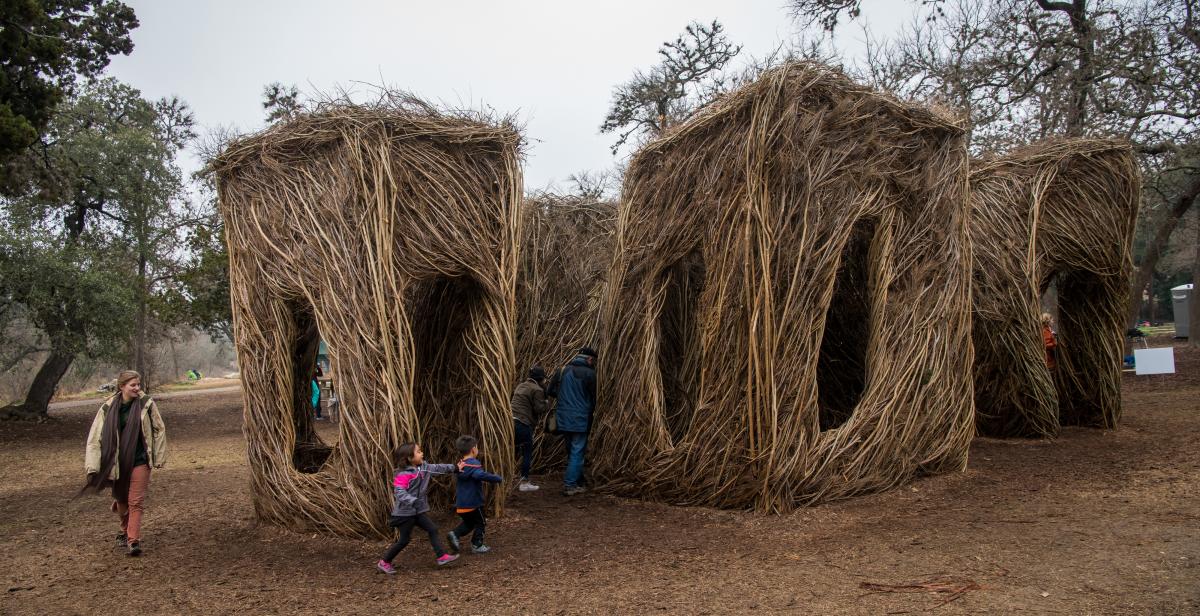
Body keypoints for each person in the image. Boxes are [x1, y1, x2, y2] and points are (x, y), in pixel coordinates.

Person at [81, 370, 167, 557]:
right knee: (122, 500)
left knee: (135, 502)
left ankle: (133, 540)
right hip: (116, 462)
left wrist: (158, 457)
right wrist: (93, 466)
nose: (137, 388)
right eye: (133, 385)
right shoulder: (108, 407)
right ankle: (123, 526)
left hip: (141, 459)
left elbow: (159, 429)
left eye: (138, 384)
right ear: (122, 387)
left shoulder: (146, 404)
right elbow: (94, 438)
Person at [376, 443, 462, 573]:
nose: (422, 453)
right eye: (419, 451)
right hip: (404, 513)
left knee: (432, 529)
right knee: (404, 540)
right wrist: (413, 501)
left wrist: (455, 468)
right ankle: (384, 562)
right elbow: (399, 492)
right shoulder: (403, 474)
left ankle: (442, 557)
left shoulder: (424, 467)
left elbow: (438, 468)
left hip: (417, 511)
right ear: (409, 458)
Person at [546, 346, 597, 496]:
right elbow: (594, 399)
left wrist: (564, 398)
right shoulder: (590, 373)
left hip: (563, 418)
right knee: (577, 451)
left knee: (572, 450)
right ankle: (570, 485)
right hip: (580, 419)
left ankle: (579, 481)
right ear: (589, 359)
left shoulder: (562, 370)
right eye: (593, 360)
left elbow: (550, 391)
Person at [447, 435, 503, 554]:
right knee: (481, 522)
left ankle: (455, 534)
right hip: (473, 503)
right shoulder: (473, 463)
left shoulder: (460, 465)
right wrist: (496, 478)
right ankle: (477, 544)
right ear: (473, 449)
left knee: (469, 523)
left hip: (461, 504)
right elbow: (479, 475)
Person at [510, 365, 548, 491]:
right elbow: (539, 409)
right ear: (541, 379)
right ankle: (524, 482)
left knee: (511, 450)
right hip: (523, 424)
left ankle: (505, 478)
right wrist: (546, 402)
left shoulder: (521, 385)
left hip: (510, 422)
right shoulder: (537, 389)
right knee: (527, 452)